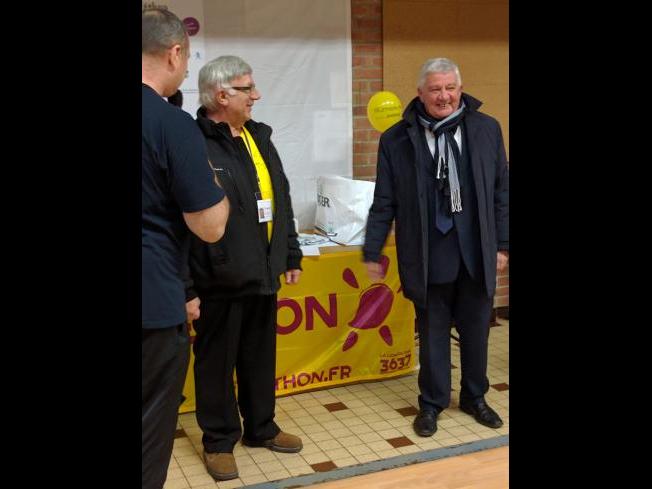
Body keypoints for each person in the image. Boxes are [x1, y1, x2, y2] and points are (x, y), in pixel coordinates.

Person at [363, 57, 509, 438]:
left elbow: (501, 194)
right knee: (432, 334)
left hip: (476, 252)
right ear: (420, 93)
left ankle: (476, 398)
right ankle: (432, 403)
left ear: (460, 89)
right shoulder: (396, 139)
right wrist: (372, 247)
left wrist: (504, 246)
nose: (443, 96)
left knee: (477, 332)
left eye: (450, 88)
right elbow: (384, 200)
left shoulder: (486, 130)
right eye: (435, 89)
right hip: (428, 255)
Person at [184, 55, 303, 481]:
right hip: (218, 277)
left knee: (258, 357)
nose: (257, 95)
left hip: (263, 272)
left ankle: (261, 428)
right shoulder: (193, 141)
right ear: (221, 94)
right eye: (247, 88)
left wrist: (289, 254)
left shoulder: (258, 137)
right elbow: (182, 217)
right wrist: (187, 286)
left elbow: (281, 197)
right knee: (216, 363)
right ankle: (218, 440)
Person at [142, 8, 230, 489]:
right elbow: (211, 225)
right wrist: (214, 184)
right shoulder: (171, 123)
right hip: (152, 304)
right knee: (150, 432)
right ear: (175, 52)